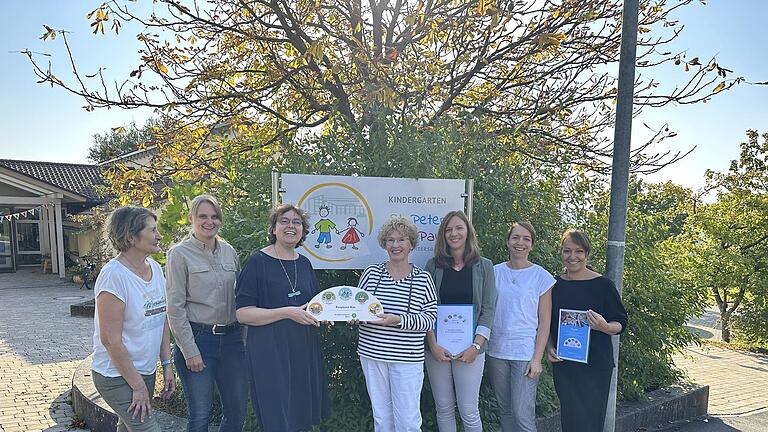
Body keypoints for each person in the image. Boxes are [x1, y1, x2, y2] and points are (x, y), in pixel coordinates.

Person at [235, 204, 330, 432]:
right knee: (277, 418)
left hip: (302, 349)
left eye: (296, 222)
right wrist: (287, 312)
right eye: (284, 221)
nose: (291, 226)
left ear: (303, 230)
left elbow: (315, 307)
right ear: (274, 228)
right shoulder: (258, 262)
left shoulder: (305, 264)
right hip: (269, 352)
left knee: (300, 416)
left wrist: (327, 315)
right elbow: (242, 313)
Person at [165, 195, 247, 432]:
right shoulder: (179, 254)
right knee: (200, 416)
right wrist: (189, 351)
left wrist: (243, 339)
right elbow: (175, 307)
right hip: (199, 340)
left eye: (214, 216)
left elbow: (240, 299)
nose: (209, 221)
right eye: (203, 216)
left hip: (232, 340)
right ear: (191, 218)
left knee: (236, 414)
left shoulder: (229, 251)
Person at [91, 206, 175, 432]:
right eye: (152, 230)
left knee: (128, 428)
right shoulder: (113, 276)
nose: (159, 236)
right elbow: (110, 340)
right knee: (147, 428)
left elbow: (162, 321)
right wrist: (138, 387)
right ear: (131, 237)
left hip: (144, 371)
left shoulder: (156, 269)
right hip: (115, 376)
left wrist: (167, 365)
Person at [356, 217, 438, 432]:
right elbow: (358, 308)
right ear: (384, 244)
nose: (395, 245)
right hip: (372, 355)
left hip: (406, 359)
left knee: (408, 422)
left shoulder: (423, 278)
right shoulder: (371, 273)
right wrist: (354, 316)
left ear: (411, 244)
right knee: (382, 418)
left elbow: (430, 319)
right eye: (390, 240)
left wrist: (398, 320)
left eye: (401, 240)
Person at [547, 229, 628, 432]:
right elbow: (546, 323)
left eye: (579, 251)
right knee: (570, 420)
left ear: (587, 254)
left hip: (596, 366)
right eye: (567, 251)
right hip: (565, 365)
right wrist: (549, 347)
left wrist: (604, 326)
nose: (572, 257)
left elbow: (621, 322)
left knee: (591, 423)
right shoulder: (554, 285)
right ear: (561, 253)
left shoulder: (603, 285)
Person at [424, 211, 497, 432]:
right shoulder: (433, 266)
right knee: (444, 408)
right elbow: (425, 309)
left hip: (471, 350)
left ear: (468, 232)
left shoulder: (484, 266)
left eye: (459, 228)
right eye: (448, 229)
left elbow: (488, 310)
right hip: (437, 349)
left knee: (469, 410)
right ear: (442, 235)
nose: (453, 233)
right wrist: (433, 345)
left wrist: (476, 346)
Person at [487, 222, 555, 432]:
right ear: (508, 241)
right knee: (505, 410)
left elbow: (545, 322)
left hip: (525, 353)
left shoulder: (541, 276)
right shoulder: (494, 272)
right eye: (516, 237)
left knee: (522, 414)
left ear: (532, 244)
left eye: (526, 239)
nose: (520, 243)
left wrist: (537, 358)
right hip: (496, 351)